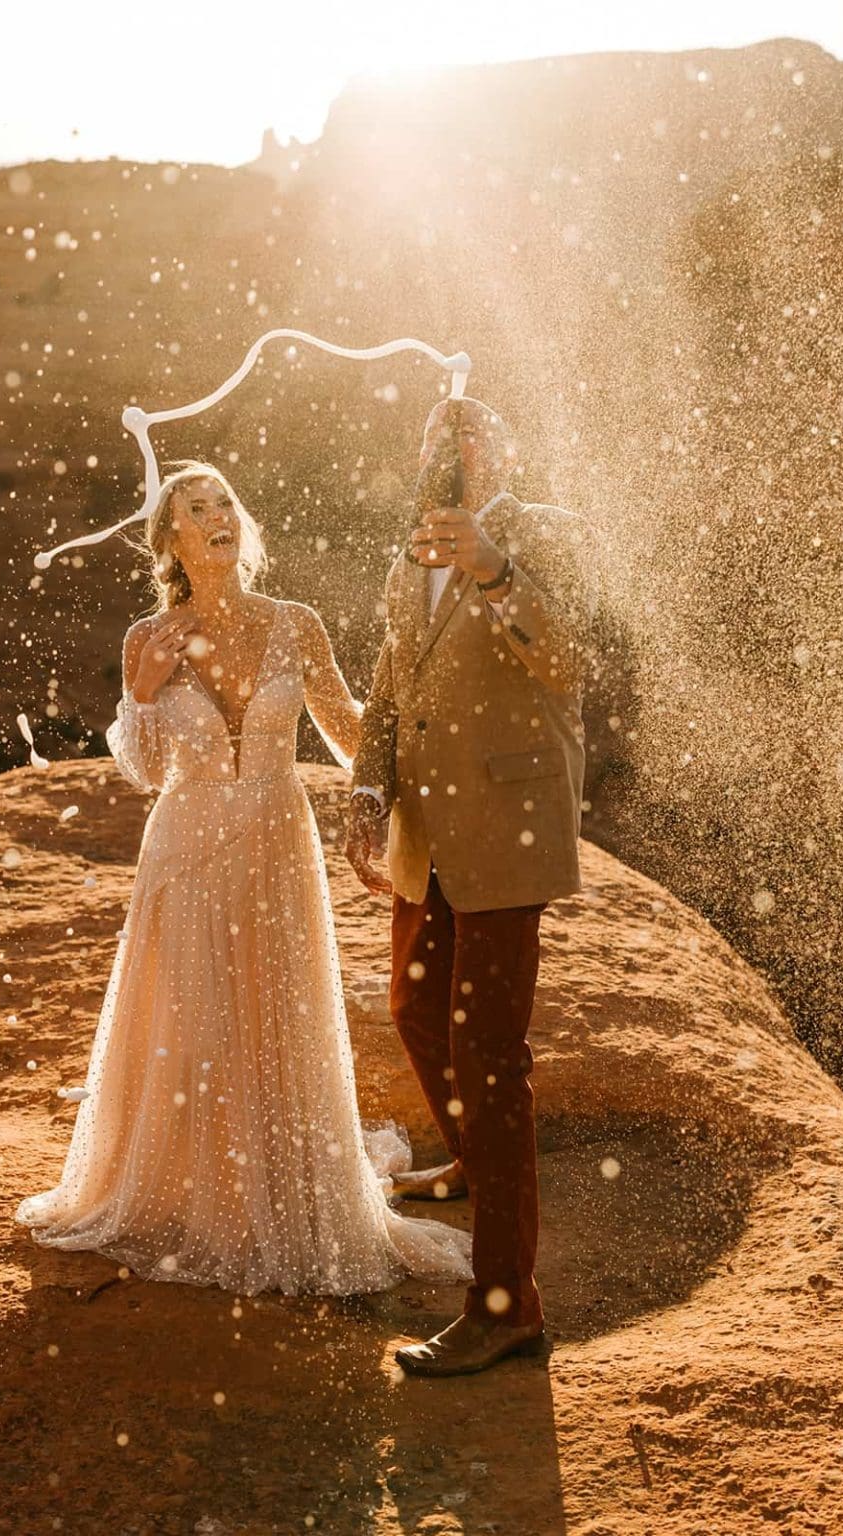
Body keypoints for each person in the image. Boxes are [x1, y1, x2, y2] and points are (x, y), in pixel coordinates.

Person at [14, 460, 472, 1298]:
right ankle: (204, 1195)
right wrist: (143, 695)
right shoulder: (145, 641)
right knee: (191, 1013)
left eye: (226, 500)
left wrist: (428, 713)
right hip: (184, 845)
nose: (216, 514)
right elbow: (149, 772)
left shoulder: (296, 624)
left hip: (275, 843)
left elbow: (350, 734)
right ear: (171, 540)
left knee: (275, 1007)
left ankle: (282, 1187)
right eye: (195, 507)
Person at [346, 401, 595, 1375]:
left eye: (467, 438)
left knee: (487, 1055)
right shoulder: (409, 553)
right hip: (428, 840)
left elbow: (570, 663)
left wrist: (493, 566)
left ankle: (504, 1306)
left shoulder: (543, 539)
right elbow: (388, 683)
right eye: (431, 440)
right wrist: (370, 786)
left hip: (505, 832)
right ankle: (480, 1166)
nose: (445, 454)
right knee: (413, 1010)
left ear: (503, 452)